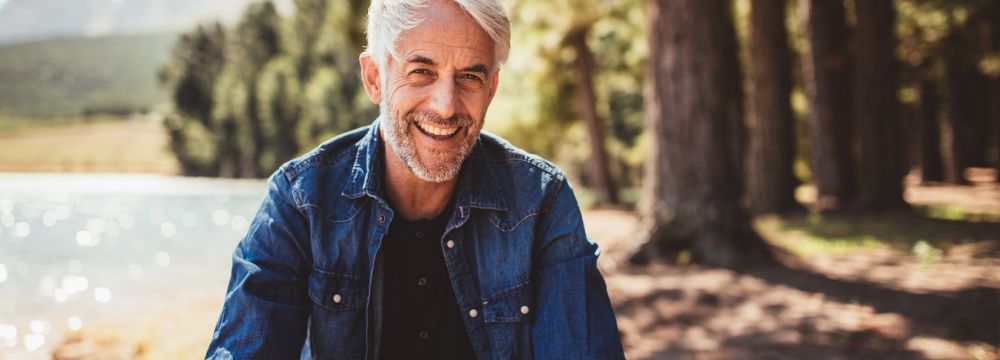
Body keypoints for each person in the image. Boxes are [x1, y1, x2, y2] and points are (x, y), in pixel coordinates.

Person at [205, 0, 624, 358]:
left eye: (470, 77)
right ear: (375, 78)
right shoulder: (300, 200)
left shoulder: (540, 200)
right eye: (421, 71)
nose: (445, 106)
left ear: (492, 89)